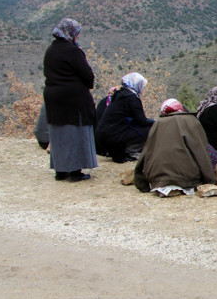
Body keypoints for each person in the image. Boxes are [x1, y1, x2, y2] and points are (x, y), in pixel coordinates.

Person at [42, 18, 97, 181]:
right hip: (72, 98)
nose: (78, 36)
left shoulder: (50, 50)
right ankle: (74, 170)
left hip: (53, 97)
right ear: (71, 33)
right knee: (74, 132)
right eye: (77, 33)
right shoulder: (72, 51)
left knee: (59, 134)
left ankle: (60, 170)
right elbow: (87, 75)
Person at [133, 99, 217, 192]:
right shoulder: (191, 121)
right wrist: (210, 180)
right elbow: (200, 152)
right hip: (187, 179)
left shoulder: (157, 123)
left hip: (157, 180)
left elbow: (145, 153)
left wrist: (142, 184)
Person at [95, 73, 154, 162]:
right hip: (113, 137)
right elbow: (142, 121)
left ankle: (121, 153)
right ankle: (130, 151)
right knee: (149, 130)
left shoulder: (120, 94)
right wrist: (155, 121)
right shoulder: (131, 97)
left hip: (102, 136)